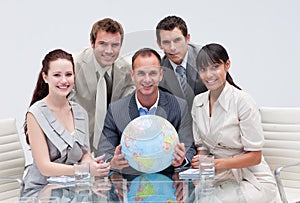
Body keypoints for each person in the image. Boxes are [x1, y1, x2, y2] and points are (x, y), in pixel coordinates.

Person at [191, 43, 279, 202]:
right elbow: (203, 148)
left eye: (215, 67)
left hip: (252, 179)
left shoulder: (243, 101)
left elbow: (255, 156)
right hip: (218, 177)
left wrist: (214, 164)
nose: (209, 74)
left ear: (227, 65)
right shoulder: (198, 102)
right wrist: (201, 164)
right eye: (203, 69)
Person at [97, 48, 196, 179]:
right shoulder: (116, 109)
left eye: (153, 73)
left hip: (168, 182)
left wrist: (182, 160)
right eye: (141, 73)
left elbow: (189, 148)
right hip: (130, 183)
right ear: (132, 75)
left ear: (161, 75)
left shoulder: (179, 106)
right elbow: (104, 152)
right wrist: (112, 163)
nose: (147, 80)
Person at [22, 49, 110, 195]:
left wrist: (93, 165)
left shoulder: (80, 112)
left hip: (73, 189)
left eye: (68, 75)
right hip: (41, 191)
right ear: (45, 77)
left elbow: (84, 154)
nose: (64, 81)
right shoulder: (35, 113)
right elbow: (45, 167)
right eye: (57, 75)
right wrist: (85, 169)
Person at [70, 18, 135, 153]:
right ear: (92, 43)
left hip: (109, 149)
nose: (109, 51)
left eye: (115, 45)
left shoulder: (126, 71)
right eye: (103, 44)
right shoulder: (73, 65)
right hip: (74, 146)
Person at [156, 15, 207, 109]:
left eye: (177, 40)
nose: (172, 48)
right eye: (166, 42)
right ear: (159, 44)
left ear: (187, 39)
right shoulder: (159, 70)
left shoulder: (205, 57)